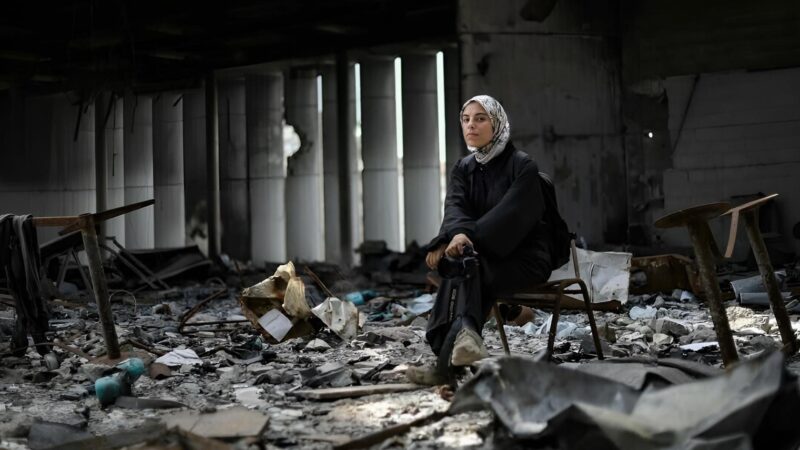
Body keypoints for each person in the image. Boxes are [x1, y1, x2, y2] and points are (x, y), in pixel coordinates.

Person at [407, 95, 561, 385]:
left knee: (466, 268)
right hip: (483, 256)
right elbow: (456, 207)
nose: (471, 126)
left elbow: (511, 216)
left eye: (480, 119)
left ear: (497, 122)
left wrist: (467, 237)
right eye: (465, 119)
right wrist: (449, 238)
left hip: (525, 258)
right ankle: (466, 339)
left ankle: (448, 362)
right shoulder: (463, 168)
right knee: (461, 266)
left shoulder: (522, 166)